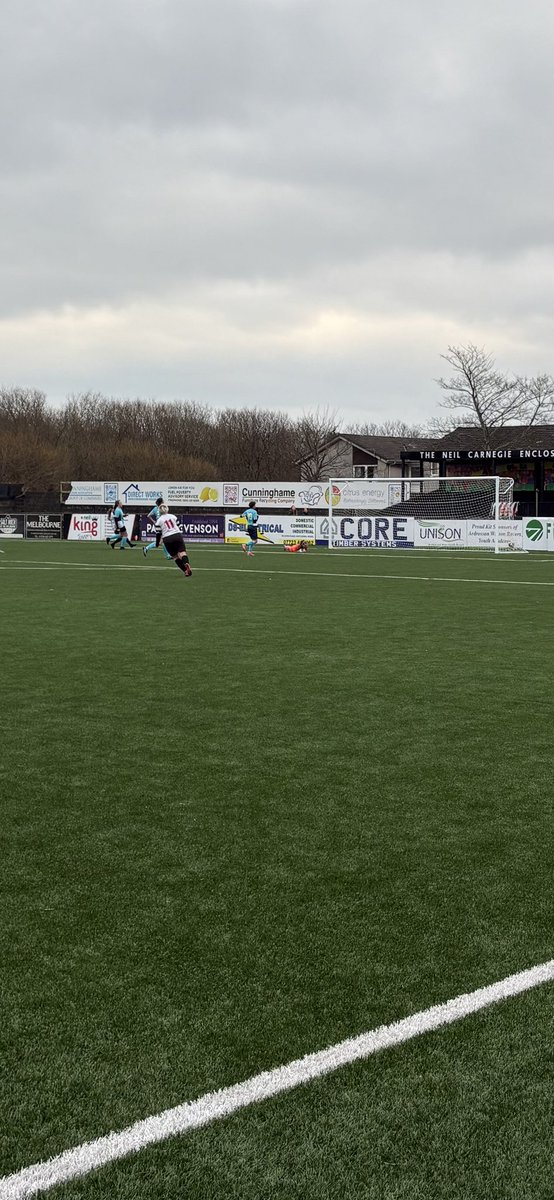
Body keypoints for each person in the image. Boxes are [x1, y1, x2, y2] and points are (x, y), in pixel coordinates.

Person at [154, 505, 192, 576]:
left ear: (159, 511)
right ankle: (186, 563)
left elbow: (158, 534)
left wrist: (157, 543)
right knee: (182, 553)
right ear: (167, 509)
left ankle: (185, 571)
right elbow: (178, 525)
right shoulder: (173, 516)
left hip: (167, 538)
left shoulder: (158, 521)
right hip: (177, 535)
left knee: (175, 556)